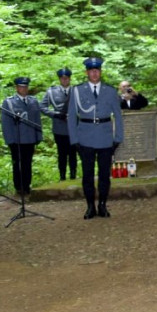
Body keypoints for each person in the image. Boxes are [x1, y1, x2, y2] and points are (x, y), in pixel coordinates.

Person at [68, 57, 124, 218]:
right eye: (91, 70)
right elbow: (72, 116)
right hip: (85, 137)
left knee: (105, 175)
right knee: (87, 175)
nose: (94, 73)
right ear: (87, 72)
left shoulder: (110, 91)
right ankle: (90, 206)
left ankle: (102, 205)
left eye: (97, 70)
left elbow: (118, 117)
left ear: (100, 72)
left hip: (106, 138)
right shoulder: (77, 91)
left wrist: (118, 138)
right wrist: (74, 140)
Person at [1, 77, 44, 196]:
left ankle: (26, 185)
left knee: (27, 163)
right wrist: (9, 140)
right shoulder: (9, 102)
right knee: (17, 164)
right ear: (16, 88)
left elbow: (37, 120)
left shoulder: (33, 101)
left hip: (30, 138)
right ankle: (18, 187)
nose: (24, 89)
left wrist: (38, 136)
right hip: (16, 139)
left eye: (25, 87)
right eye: (21, 87)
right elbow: (6, 123)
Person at [41, 68, 77, 181]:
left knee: (73, 154)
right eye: (62, 78)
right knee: (62, 154)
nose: (65, 80)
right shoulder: (51, 91)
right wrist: (55, 114)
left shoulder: (77, 91)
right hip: (59, 127)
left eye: (67, 78)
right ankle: (62, 177)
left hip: (74, 127)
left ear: (70, 79)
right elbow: (42, 107)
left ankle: (73, 176)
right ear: (59, 79)